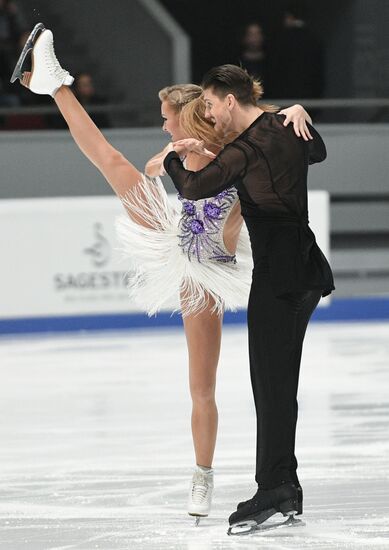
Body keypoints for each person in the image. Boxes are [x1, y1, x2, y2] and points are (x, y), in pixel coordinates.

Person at [13, 25, 314, 523]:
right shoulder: (191, 149)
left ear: (188, 115)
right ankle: (56, 83)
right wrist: (170, 160)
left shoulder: (235, 148)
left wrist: (291, 111)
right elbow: (163, 169)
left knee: (203, 388)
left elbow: (260, 134)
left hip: (208, 268)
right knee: (109, 161)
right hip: (180, 238)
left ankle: (203, 473)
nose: (163, 128)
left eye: (166, 120)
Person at [162, 64, 335, 533]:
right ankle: (284, 488)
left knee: (272, 389)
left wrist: (172, 159)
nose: (209, 113)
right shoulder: (281, 126)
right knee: (278, 386)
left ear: (231, 101)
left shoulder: (245, 148)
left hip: (279, 282)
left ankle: (275, 493)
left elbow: (194, 188)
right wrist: (295, 112)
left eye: (212, 105)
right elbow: (315, 149)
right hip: (307, 271)